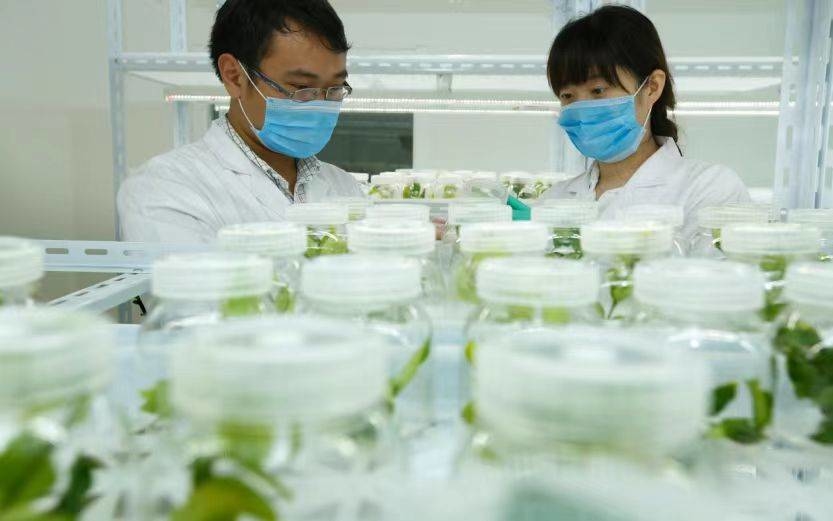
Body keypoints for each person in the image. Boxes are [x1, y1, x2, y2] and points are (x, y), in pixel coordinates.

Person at [118, 0, 362, 243]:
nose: (320, 104)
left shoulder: (344, 186)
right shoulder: (164, 188)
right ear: (234, 76)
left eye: (335, 88)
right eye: (301, 87)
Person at [543, 5, 750, 241]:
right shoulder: (552, 201)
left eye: (598, 90)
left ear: (652, 87)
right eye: (567, 96)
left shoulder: (710, 190)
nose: (581, 110)